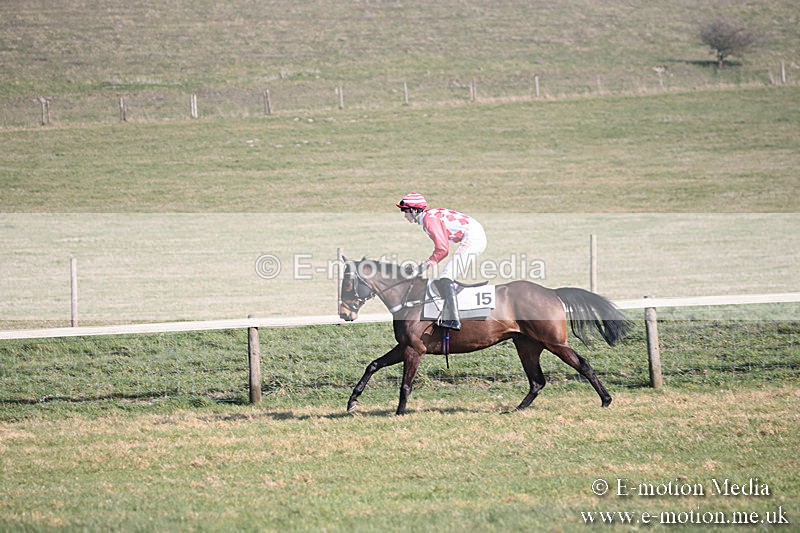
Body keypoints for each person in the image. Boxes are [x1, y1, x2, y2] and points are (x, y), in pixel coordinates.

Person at [396, 192, 487, 330]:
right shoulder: (428, 217)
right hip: (473, 235)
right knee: (446, 276)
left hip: (473, 238)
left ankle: (454, 320)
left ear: (414, 210)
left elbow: (442, 249)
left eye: (405, 210)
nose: (404, 215)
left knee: (446, 277)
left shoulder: (429, 220)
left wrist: (420, 269)